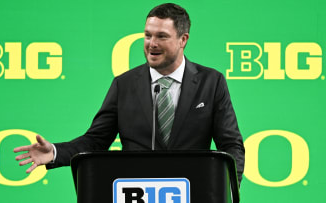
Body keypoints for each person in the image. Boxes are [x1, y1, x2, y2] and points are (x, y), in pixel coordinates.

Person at [14, 3, 245, 184]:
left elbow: (231, 145)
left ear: (183, 39)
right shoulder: (124, 85)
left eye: (161, 36)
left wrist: (226, 191)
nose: (151, 44)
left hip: (194, 191)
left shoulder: (211, 82)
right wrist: (55, 152)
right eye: (147, 35)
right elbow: (96, 141)